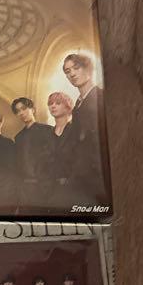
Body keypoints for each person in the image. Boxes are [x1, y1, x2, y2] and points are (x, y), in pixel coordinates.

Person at [62, 52, 106, 202]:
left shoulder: (101, 97)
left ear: (88, 69)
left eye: (76, 68)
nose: (72, 74)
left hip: (98, 174)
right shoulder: (77, 105)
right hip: (81, 174)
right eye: (68, 71)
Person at [12, 97, 55, 211]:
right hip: (24, 189)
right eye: (18, 111)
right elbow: (18, 164)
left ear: (33, 109)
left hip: (44, 187)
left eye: (24, 108)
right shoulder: (18, 137)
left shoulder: (48, 130)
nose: (21, 113)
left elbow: (52, 159)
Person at [47, 92, 79, 209]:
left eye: (58, 103)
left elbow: (82, 159)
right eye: (50, 103)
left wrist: (70, 181)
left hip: (73, 189)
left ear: (67, 106)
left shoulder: (76, 129)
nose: (53, 106)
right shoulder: (48, 133)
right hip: (49, 190)